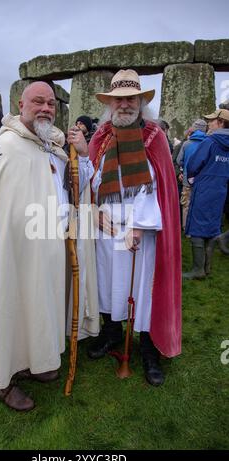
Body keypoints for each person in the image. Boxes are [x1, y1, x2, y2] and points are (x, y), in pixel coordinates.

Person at [0, 81, 99, 412]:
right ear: (21, 104)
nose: (45, 109)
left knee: (40, 306)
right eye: (38, 102)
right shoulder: (9, 147)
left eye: (51, 104)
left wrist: (83, 157)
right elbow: (6, 207)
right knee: (12, 302)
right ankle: (4, 381)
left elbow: (73, 187)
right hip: (18, 250)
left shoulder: (49, 145)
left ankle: (34, 360)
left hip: (51, 246)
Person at [87, 69, 182, 386]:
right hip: (105, 227)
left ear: (141, 102)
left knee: (143, 290)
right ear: (110, 103)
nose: (124, 104)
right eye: (118, 99)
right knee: (108, 283)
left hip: (140, 231)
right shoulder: (100, 136)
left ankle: (148, 349)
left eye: (131, 98)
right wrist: (94, 211)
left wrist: (139, 226)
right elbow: (92, 178)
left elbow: (158, 187)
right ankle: (112, 333)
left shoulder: (155, 137)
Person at [184, 109, 229, 279]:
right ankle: (207, 268)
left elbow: (194, 163)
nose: (209, 124)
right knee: (212, 226)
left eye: (212, 121)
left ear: (221, 122)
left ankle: (197, 270)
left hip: (204, 187)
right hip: (221, 190)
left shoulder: (210, 141)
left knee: (197, 226)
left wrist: (191, 178)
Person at [176, 119, 207, 230]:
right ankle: (197, 228)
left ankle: (186, 228)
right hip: (203, 180)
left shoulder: (186, 143)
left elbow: (179, 160)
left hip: (187, 179)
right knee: (199, 204)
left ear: (193, 129)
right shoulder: (208, 143)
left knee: (186, 204)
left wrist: (184, 166)